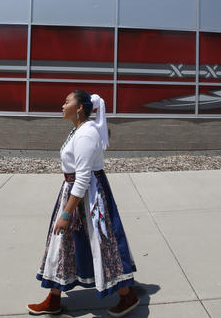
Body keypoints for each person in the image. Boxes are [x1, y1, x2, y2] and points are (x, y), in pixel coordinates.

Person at [27, 90, 138, 317]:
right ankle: (54, 298)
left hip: (88, 198)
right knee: (62, 245)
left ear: (79, 108)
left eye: (67, 101)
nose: (62, 105)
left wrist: (66, 214)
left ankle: (127, 295)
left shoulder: (86, 134)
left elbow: (84, 178)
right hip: (74, 194)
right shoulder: (77, 131)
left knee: (102, 246)